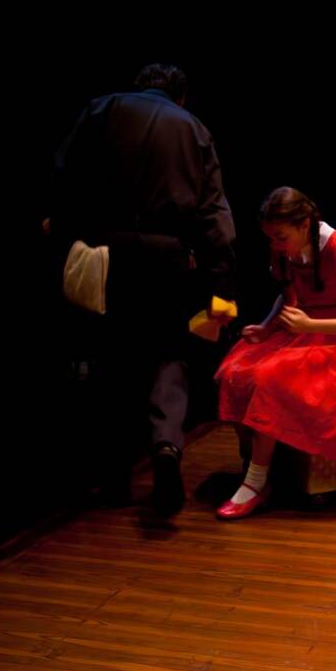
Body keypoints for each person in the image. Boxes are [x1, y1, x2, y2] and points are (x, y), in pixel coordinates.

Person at [49, 63, 236, 514]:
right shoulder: (193, 129)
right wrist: (221, 282)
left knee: (109, 359)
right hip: (166, 259)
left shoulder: (98, 110)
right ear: (181, 97)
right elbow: (215, 217)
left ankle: (112, 477)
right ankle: (167, 445)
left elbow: (63, 176)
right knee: (168, 354)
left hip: (104, 254)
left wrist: (62, 232)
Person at [214, 187, 336, 519]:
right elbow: (288, 296)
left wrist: (309, 322)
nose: (275, 245)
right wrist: (267, 327)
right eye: (270, 238)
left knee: (269, 378)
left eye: (280, 237)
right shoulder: (286, 250)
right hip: (306, 329)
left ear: (304, 225)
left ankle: (256, 483)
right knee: (233, 370)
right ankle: (258, 464)